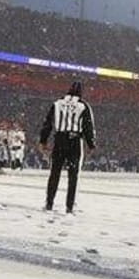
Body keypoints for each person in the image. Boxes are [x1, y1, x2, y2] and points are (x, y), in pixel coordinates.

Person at [39, 81, 96, 214]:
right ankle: (69, 206)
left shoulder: (57, 103)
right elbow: (88, 126)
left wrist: (43, 140)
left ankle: (49, 203)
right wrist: (91, 144)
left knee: (55, 173)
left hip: (59, 139)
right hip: (74, 141)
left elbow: (47, 123)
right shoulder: (83, 105)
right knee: (73, 175)